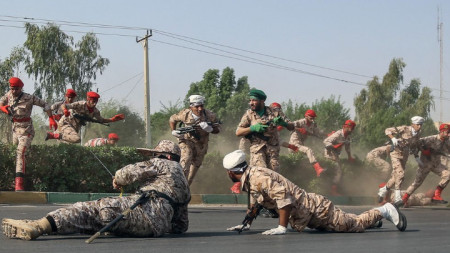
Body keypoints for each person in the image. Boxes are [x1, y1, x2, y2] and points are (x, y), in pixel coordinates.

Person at [2, 140, 190, 241]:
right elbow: (181, 226)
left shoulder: (161, 163)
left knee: (86, 210)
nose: (154, 156)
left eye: (155, 154)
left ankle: (39, 226)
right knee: (95, 221)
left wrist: (117, 179)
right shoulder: (184, 183)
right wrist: (160, 222)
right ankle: (48, 226)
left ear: (165, 155)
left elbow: (127, 174)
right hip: (152, 229)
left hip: (140, 211)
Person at [223, 150, 407, 235]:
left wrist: (281, 228)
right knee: (349, 221)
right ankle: (373, 221)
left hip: (315, 210)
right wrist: (245, 224)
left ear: (231, 172)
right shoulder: (252, 176)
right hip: (308, 214)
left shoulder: (256, 178)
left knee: (354, 225)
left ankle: (386, 210)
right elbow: (260, 201)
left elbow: (283, 199)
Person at [0, 77, 57, 191]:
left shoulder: (30, 98)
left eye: (16, 89)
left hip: (27, 130)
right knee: (15, 152)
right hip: (15, 129)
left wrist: (51, 117)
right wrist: (2, 108)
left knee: (20, 152)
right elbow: (1, 102)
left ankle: (19, 184)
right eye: (12, 88)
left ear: (21, 88)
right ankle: (21, 178)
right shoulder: (9, 95)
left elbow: (45, 104)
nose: (14, 91)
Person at [236, 89, 294, 172]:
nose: (251, 103)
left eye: (254, 100)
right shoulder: (249, 114)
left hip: (272, 150)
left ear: (262, 101)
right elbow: (238, 132)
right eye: (250, 100)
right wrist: (253, 128)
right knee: (260, 173)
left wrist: (284, 123)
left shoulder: (275, 112)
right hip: (257, 149)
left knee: (274, 176)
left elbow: (291, 127)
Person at [169, 94, 221, 185]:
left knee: (193, 172)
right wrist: (173, 131)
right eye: (197, 106)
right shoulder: (185, 114)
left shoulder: (209, 115)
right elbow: (172, 119)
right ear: (191, 107)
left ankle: (186, 187)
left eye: (201, 106)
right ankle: (180, 185)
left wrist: (210, 129)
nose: (200, 109)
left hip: (201, 145)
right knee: (186, 160)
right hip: (186, 141)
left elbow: (218, 129)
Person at [45, 91, 124, 144]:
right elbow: (64, 105)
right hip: (66, 123)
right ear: (88, 100)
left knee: (69, 144)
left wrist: (112, 119)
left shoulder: (95, 111)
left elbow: (101, 120)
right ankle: (54, 135)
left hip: (74, 128)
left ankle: (55, 135)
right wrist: (65, 110)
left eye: (96, 101)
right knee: (77, 139)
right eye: (93, 101)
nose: (95, 103)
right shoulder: (80, 104)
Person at [378, 116, 424, 206]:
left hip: (405, 155)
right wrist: (392, 138)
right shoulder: (404, 129)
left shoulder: (419, 133)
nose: (419, 127)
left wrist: (416, 157)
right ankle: (397, 198)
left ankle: (383, 190)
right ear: (413, 124)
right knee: (401, 173)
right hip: (396, 152)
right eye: (418, 124)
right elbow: (387, 130)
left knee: (395, 177)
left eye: (421, 125)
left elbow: (414, 145)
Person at [401, 123, 450, 205]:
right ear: (441, 132)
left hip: (436, 165)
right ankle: (404, 199)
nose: (449, 134)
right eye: (447, 132)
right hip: (425, 165)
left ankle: (436, 195)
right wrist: (423, 150)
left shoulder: (447, 141)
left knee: (448, 175)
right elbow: (415, 143)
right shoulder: (431, 139)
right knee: (417, 183)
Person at [285, 109, 326, 177]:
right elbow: (289, 125)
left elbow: (318, 132)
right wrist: (299, 129)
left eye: (314, 118)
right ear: (306, 116)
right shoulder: (300, 122)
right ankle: (318, 169)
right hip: (294, 145)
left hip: (300, 145)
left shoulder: (312, 125)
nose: (313, 119)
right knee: (308, 150)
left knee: (306, 161)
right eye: (311, 117)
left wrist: (327, 135)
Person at [323, 120, 356, 195]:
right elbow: (326, 141)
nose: (352, 130)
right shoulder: (338, 134)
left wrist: (349, 157)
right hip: (330, 153)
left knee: (336, 170)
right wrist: (334, 146)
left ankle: (331, 188)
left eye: (353, 128)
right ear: (346, 127)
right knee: (338, 171)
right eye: (351, 128)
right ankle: (333, 191)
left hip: (336, 154)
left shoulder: (347, 137)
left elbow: (347, 148)